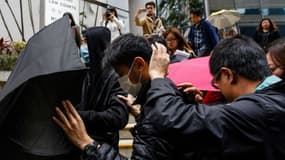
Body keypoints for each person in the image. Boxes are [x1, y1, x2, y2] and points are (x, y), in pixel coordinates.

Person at [53, 34, 285, 160]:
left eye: (122, 75)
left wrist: (89, 145)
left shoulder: (262, 109)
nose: (121, 83)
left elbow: (172, 121)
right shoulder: (271, 100)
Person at [76, 27, 129, 150]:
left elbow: (118, 117)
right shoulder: (86, 74)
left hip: (104, 147)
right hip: (82, 144)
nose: (83, 48)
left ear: (96, 45)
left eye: (86, 43)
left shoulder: (117, 75)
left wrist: (82, 116)